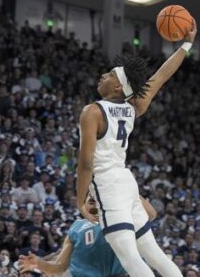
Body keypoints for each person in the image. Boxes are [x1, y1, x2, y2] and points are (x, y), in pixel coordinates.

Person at [76, 22, 197, 277]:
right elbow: (161, 75)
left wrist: (80, 201)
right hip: (127, 183)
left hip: (109, 185)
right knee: (155, 255)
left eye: (109, 75)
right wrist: (186, 44)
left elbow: (86, 163)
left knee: (132, 261)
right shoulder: (133, 108)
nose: (102, 76)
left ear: (118, 87)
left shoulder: (92, 111)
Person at [18, 193, 156, 276]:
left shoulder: (118, 217)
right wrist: (39, 264)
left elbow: (150, 215)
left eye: (98, 198)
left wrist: (128, 189)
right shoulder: (76, 227)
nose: (94, 201)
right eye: (90, 199)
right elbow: (60, 267)